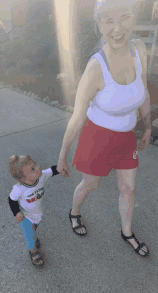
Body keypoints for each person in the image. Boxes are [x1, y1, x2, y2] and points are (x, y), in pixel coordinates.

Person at [57, 0, 151, 257]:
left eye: (125, 18)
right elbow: (77, 116)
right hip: (97, 136)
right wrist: (62, 154)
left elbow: (142, 90)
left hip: (126, 138)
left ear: (134, 18)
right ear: (99, 25)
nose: (117, 28)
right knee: (90, 185)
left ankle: (127, 232)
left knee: (128, 188)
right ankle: (74, 212)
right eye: (109, 20)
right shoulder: (96, 67)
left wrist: (147, 125)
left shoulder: (140, 49)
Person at [8, 155, 59, 268]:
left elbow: (53, 170)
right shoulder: (19, 189)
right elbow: (12, 200)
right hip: (25, 217)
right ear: (23, 179)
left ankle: (33, 236)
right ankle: (33, 252)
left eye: (35, 163)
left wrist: (62, 168)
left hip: (37, 214)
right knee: (29, 237)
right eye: (32, 169)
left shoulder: (41, 176)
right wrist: (16, 212)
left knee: (34, 228)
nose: (38, 167)